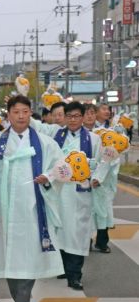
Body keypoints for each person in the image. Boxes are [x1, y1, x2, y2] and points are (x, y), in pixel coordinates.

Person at [0, 95, 65, 302]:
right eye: (16, 112)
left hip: (33, 209)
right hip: (5, 209)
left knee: (29, 254)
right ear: (8, 115)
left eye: (25, 111)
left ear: (30, 113)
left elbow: (61, 167)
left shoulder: (44, 143)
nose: (21, 116)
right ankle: (18, 298)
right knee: (9, 255)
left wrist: (48, 178)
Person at [52, 102, 102, 290]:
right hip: (59, 192)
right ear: (64, 117)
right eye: (69, 116)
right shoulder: (56, 137)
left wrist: (96, 178)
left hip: (80, 192)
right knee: (61, 231)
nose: (73, 120)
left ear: (83, 117)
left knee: (78, 234)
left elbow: (101, 163)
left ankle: (75, 275)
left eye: (76, 116)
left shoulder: (93, 139)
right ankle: (64, 267)